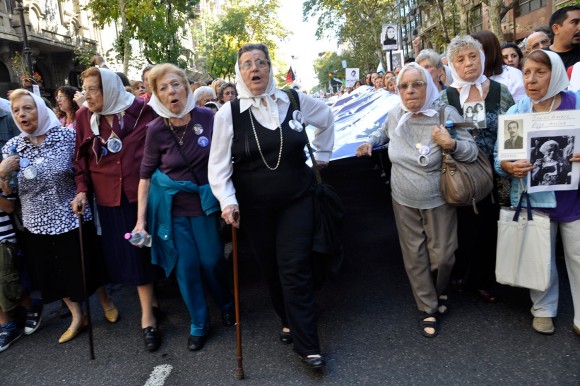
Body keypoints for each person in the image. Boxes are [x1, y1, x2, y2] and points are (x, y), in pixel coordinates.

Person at [208, 43, 334, 368]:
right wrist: (228, 201)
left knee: (295, 267)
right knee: (271, 268)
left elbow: (326, 116)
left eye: (260, 62)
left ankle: (308, 346)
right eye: (247, 64)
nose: (255, 69)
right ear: (240, 72)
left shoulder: (291, 100)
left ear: (269, 68)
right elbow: (218, 167)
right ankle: (287, 318)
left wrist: (323, 155)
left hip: (297, 197)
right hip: (255, 207)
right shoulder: (228, 114)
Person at [356, 63, 478, 337]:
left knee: (443, 257)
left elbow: (471, 151)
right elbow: (383, 133)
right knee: (415, 256)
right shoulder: (394, 113)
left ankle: (439, 289)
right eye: (404, 86)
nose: (410, 91)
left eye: (417, 84)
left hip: (439, 198)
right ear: (398, 90)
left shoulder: (445, 114)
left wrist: (452, 144)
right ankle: (429, 308)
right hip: (403, 197)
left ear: (429, 86)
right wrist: (369, 142)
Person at [132, 63, 234, 351]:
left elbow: (226, 159)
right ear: (156, 95)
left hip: (205, 205)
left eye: (175, 84)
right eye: (163, 88)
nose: (171, 91)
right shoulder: (155, 130)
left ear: (186, 87)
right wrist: (140, 221)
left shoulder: (208, 117)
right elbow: (145, 177)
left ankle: (226, 303)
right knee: (186, 267)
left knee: (212, 261)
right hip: (172, 209)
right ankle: (199, 323)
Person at [1, 90, 113, 344]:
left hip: (71, 213)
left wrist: (82, 192)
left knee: (86, 266)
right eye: (17, 110)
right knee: (56, 273)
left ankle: (105, 300)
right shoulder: (13, 147)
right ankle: (78, 316)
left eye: (27, 108)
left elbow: (84, 170)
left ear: (39, 109)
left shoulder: (67, 136)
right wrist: (2, 174)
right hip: (37, 221)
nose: (22, 115)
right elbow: (8, 193)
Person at [71, 68, 162, 351]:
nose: (87, 96)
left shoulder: (142, 109)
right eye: (84, 89)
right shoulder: (84, 116)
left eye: (93, 89)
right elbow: (81, 157)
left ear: (109, 89)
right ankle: (151, 307)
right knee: (132, 253)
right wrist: (82, 189)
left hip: (143, 193)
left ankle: (149, 315)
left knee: (146, 249)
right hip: (110, 197)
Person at [495, 49, 580, 336]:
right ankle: (543, 308)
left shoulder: (576, 103)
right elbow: (499, 158)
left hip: (573, 197)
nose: (531, 80)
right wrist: (510, 166)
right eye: (527, 72)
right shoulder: (517, 112)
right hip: (535, 199)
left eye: (540, 73)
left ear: (555, 74)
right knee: (540, 255)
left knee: (579, 256)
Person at [440, 35, 515, 303]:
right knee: (466, 226)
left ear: (482, 58)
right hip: (466, 174)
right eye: (460, 59)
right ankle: (461, 273)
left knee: (493, 225)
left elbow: (512, 130)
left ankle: (484, 279)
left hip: (500, 171)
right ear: (452, 64)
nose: (468, 63)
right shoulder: (446, 96)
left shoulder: (500, 91)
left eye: (473, 56)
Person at [472, 30, 526, 102]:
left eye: (474, 53)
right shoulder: (468, 78)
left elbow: (522, 108)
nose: (469, 60)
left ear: (490, 51)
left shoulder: (514, 76)